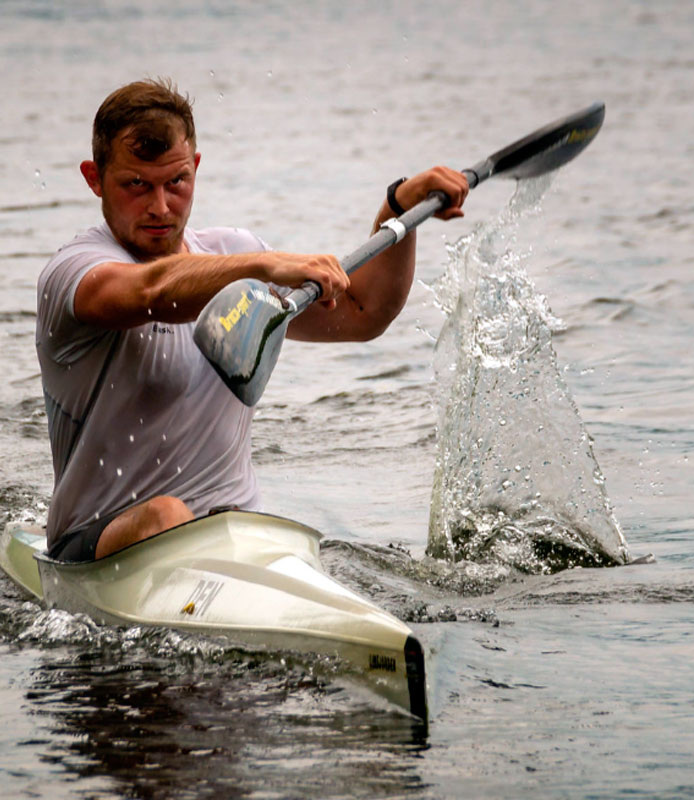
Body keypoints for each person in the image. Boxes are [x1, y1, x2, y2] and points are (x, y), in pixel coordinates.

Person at [36, 78, 469, 561]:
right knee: (167, 515)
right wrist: (264, 266)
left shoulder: (231, 252)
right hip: (95, 546)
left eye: (176, 182)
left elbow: (363, 315)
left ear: (195, 168)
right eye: (136, 185)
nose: (160, 206)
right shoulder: (74, 273)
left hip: (232, 538)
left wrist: (398, 209)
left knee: (272, 533)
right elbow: (151, 290)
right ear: (94, 178)